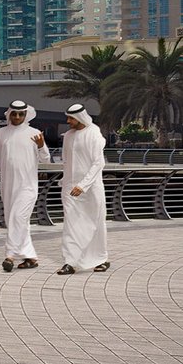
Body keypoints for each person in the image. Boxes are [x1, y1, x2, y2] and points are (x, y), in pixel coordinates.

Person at [0, 99, 47, 271]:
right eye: (15, 113)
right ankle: (30, 257)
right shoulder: (1, 133)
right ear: (9, 114)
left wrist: (41, 146)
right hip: (7, 185)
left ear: (26, 115)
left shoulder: (34, 133)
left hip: (28, 186)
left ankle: (9, 256)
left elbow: (46, 159)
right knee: (17, 221)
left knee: (17, 218)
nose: (18, 117)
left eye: (21, 114)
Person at [56, 103, 110, 274]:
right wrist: (66, 182)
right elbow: (66, 162)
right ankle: (70, 262)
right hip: (69, 188)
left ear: (80, 118)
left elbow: (98, 162)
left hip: (90, 188)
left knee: (95, 223)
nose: (68, 121)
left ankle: (101, 258)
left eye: (71, 118)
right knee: (71, 224)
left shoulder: (94, 133)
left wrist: (83, 185)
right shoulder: (68, 136)